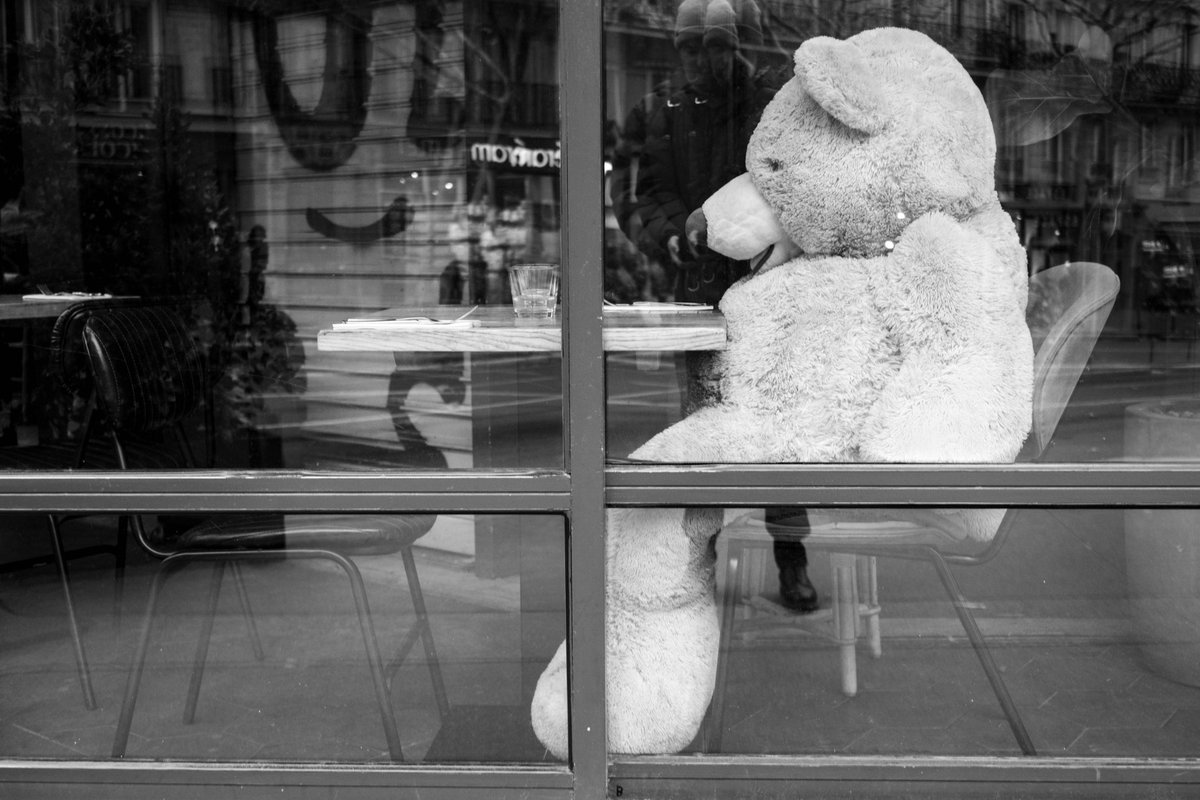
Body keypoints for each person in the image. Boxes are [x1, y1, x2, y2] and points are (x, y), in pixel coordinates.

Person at [621, 0, 819, 612]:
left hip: (769, 283)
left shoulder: (766, 100)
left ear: (736, 45)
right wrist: (670, 235)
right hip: (700, 289)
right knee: (704, 428)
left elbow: (791, 177)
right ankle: (699, 559)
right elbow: (644, 195)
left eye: (714, 45)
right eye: (691, 47)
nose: (702, 58)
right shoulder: (664, 111)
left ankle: (791, 556)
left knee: (776, 425)